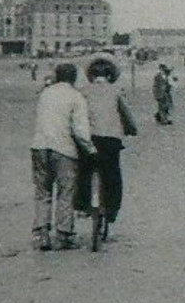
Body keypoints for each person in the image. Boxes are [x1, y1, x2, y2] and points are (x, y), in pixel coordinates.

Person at [30, 62, 97, 250]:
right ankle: (63, 235)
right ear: (74, 77)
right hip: (63, 148)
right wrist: (91, 149)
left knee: (42, 192)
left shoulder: (45, 94)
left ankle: (42, 234)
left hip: (39, 146)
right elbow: (81, 130)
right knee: (65, 192)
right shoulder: (76, 97)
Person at [75, 53, 139, 242]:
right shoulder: (116, 91)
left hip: (90, 139)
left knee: (84, 171)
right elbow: (126, 116)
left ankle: (83, 206)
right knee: (113, 176)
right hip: (111, 140)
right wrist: (131, 130)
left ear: (91, 75)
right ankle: (111, 212)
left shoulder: (83, 92)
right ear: (111, 75)